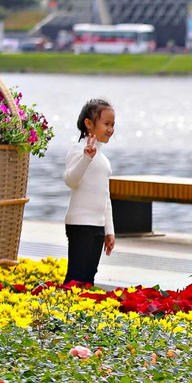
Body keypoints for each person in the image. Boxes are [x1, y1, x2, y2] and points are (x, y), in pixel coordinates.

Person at [63, 99, 116, 286]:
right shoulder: (79, 150)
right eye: (106, 124)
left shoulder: (103, 159)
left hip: (97, 227)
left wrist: (109, 230)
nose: (110, 129)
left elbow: (105, 197)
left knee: (88, 279)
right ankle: (64, 310)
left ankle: (81, 312)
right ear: (89, 123)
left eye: (112, 125)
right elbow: (70, 180)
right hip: (80, 224)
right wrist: (86, 158)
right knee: (76, 277)